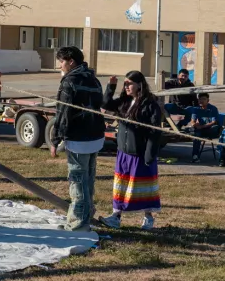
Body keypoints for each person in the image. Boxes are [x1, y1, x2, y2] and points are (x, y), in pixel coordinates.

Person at [48, 46, 105, 232]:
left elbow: (62, 112)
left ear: (71, 62)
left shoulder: (69, 81)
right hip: (96, 135)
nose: (60, 66)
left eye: (61, 62)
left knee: (78, 181)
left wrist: (55, 139)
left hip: (79, 139)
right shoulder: (94, 79)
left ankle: (78, 223)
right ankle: (84, 217)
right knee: (88, 180)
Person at [100, 71, 162, 230]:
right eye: (125, 83)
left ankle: (148, 217)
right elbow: (105, 104)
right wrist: (111, 87)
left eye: (130, 83)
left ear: (139, 85)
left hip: (141, 154)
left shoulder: (150, 104)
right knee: (121, 185)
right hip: (124, 152)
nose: (126, 86)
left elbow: (155, 131)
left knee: (143, 187)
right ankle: (116, 216)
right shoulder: (124, 101)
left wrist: (150, 154)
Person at [180, 93, 221, 163]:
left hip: (212, 129)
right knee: (195, 133)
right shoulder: (196, 109)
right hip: (201, 129)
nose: (201, 101)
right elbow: (193, 120)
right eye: (200, 99)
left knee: (210, 128)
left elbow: (214, 122)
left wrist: (202, 126)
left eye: (204, 99)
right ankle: (195, 156)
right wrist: (194, 124)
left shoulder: (213, 108)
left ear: (208, 100)